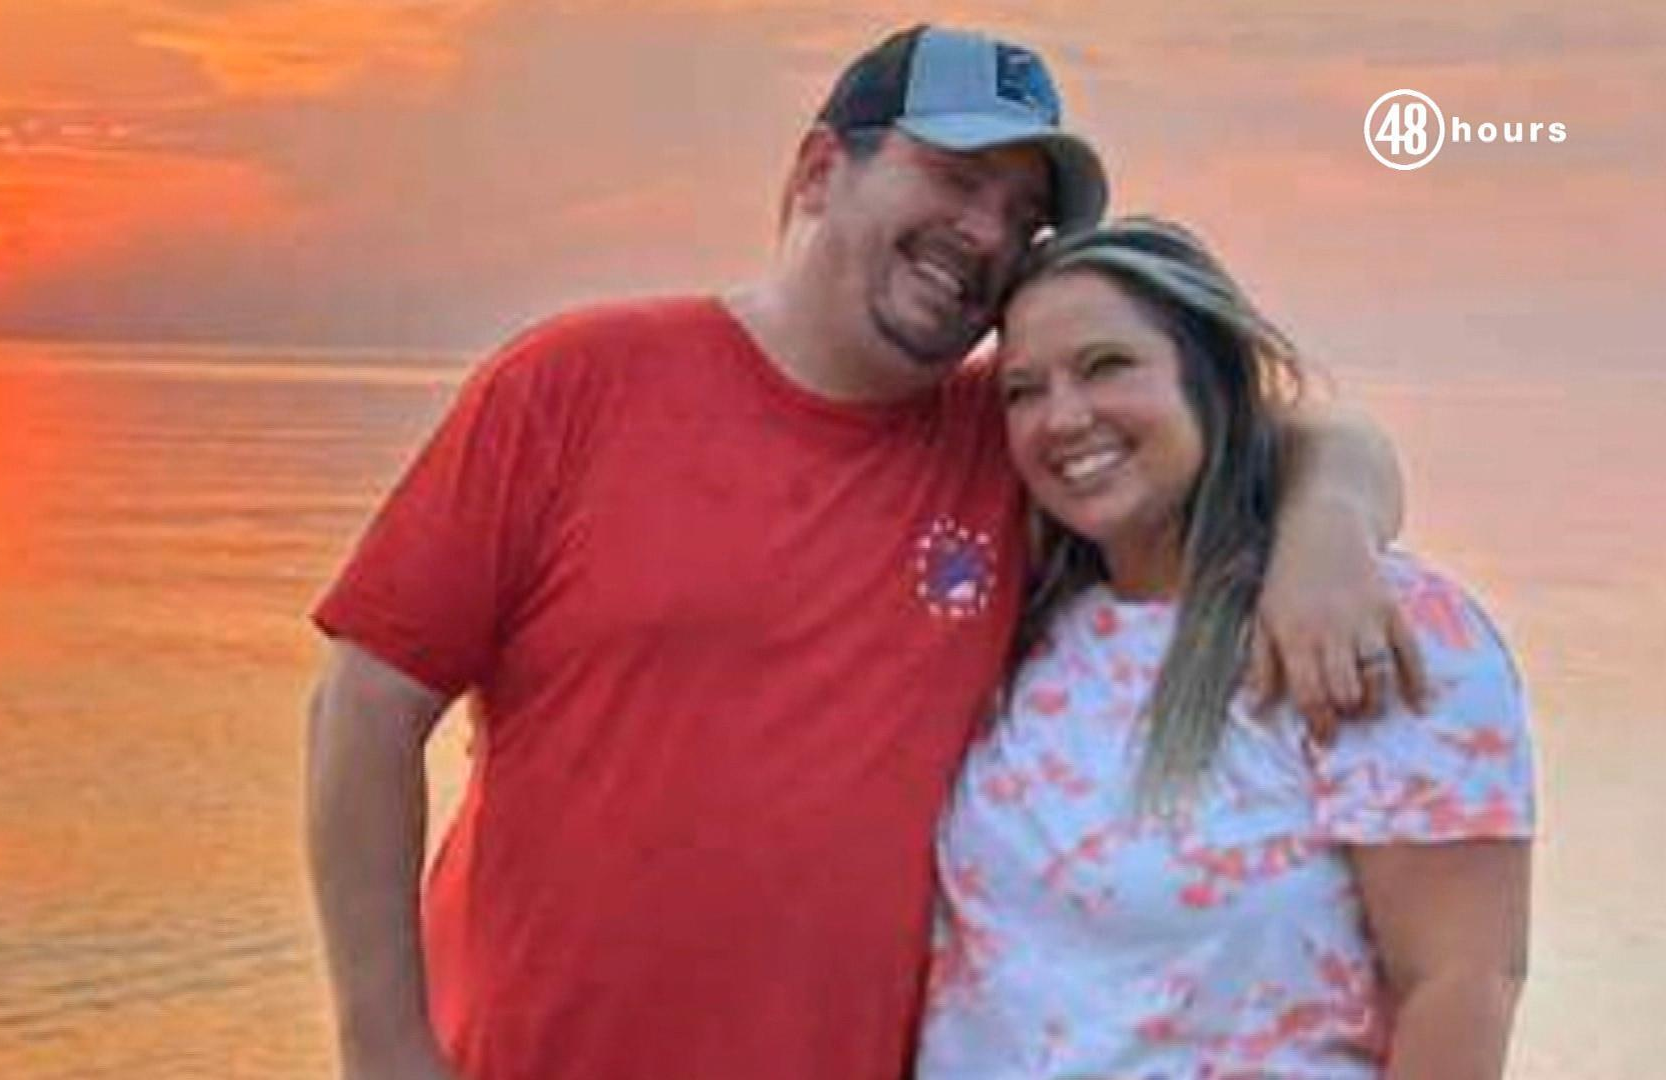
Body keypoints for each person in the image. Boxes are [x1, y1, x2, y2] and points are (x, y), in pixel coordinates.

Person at [306, 25, 1420, 1080]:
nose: (988, 236)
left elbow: (1296, 432)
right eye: (957, 178)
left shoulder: (1010, 442)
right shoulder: (574, 385)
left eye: (1023, 215)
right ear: (819, 171)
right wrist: (387, 1051)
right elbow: (366, 707)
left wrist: (1326, 531)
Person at [917, 218, 1534, 1078]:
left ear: (1209, 379)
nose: (1064, 417)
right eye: (1023, 390)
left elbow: (1460, 986)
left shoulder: (1371, 624)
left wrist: (1329, 514)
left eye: (1107, 365)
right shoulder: (1026, 623)